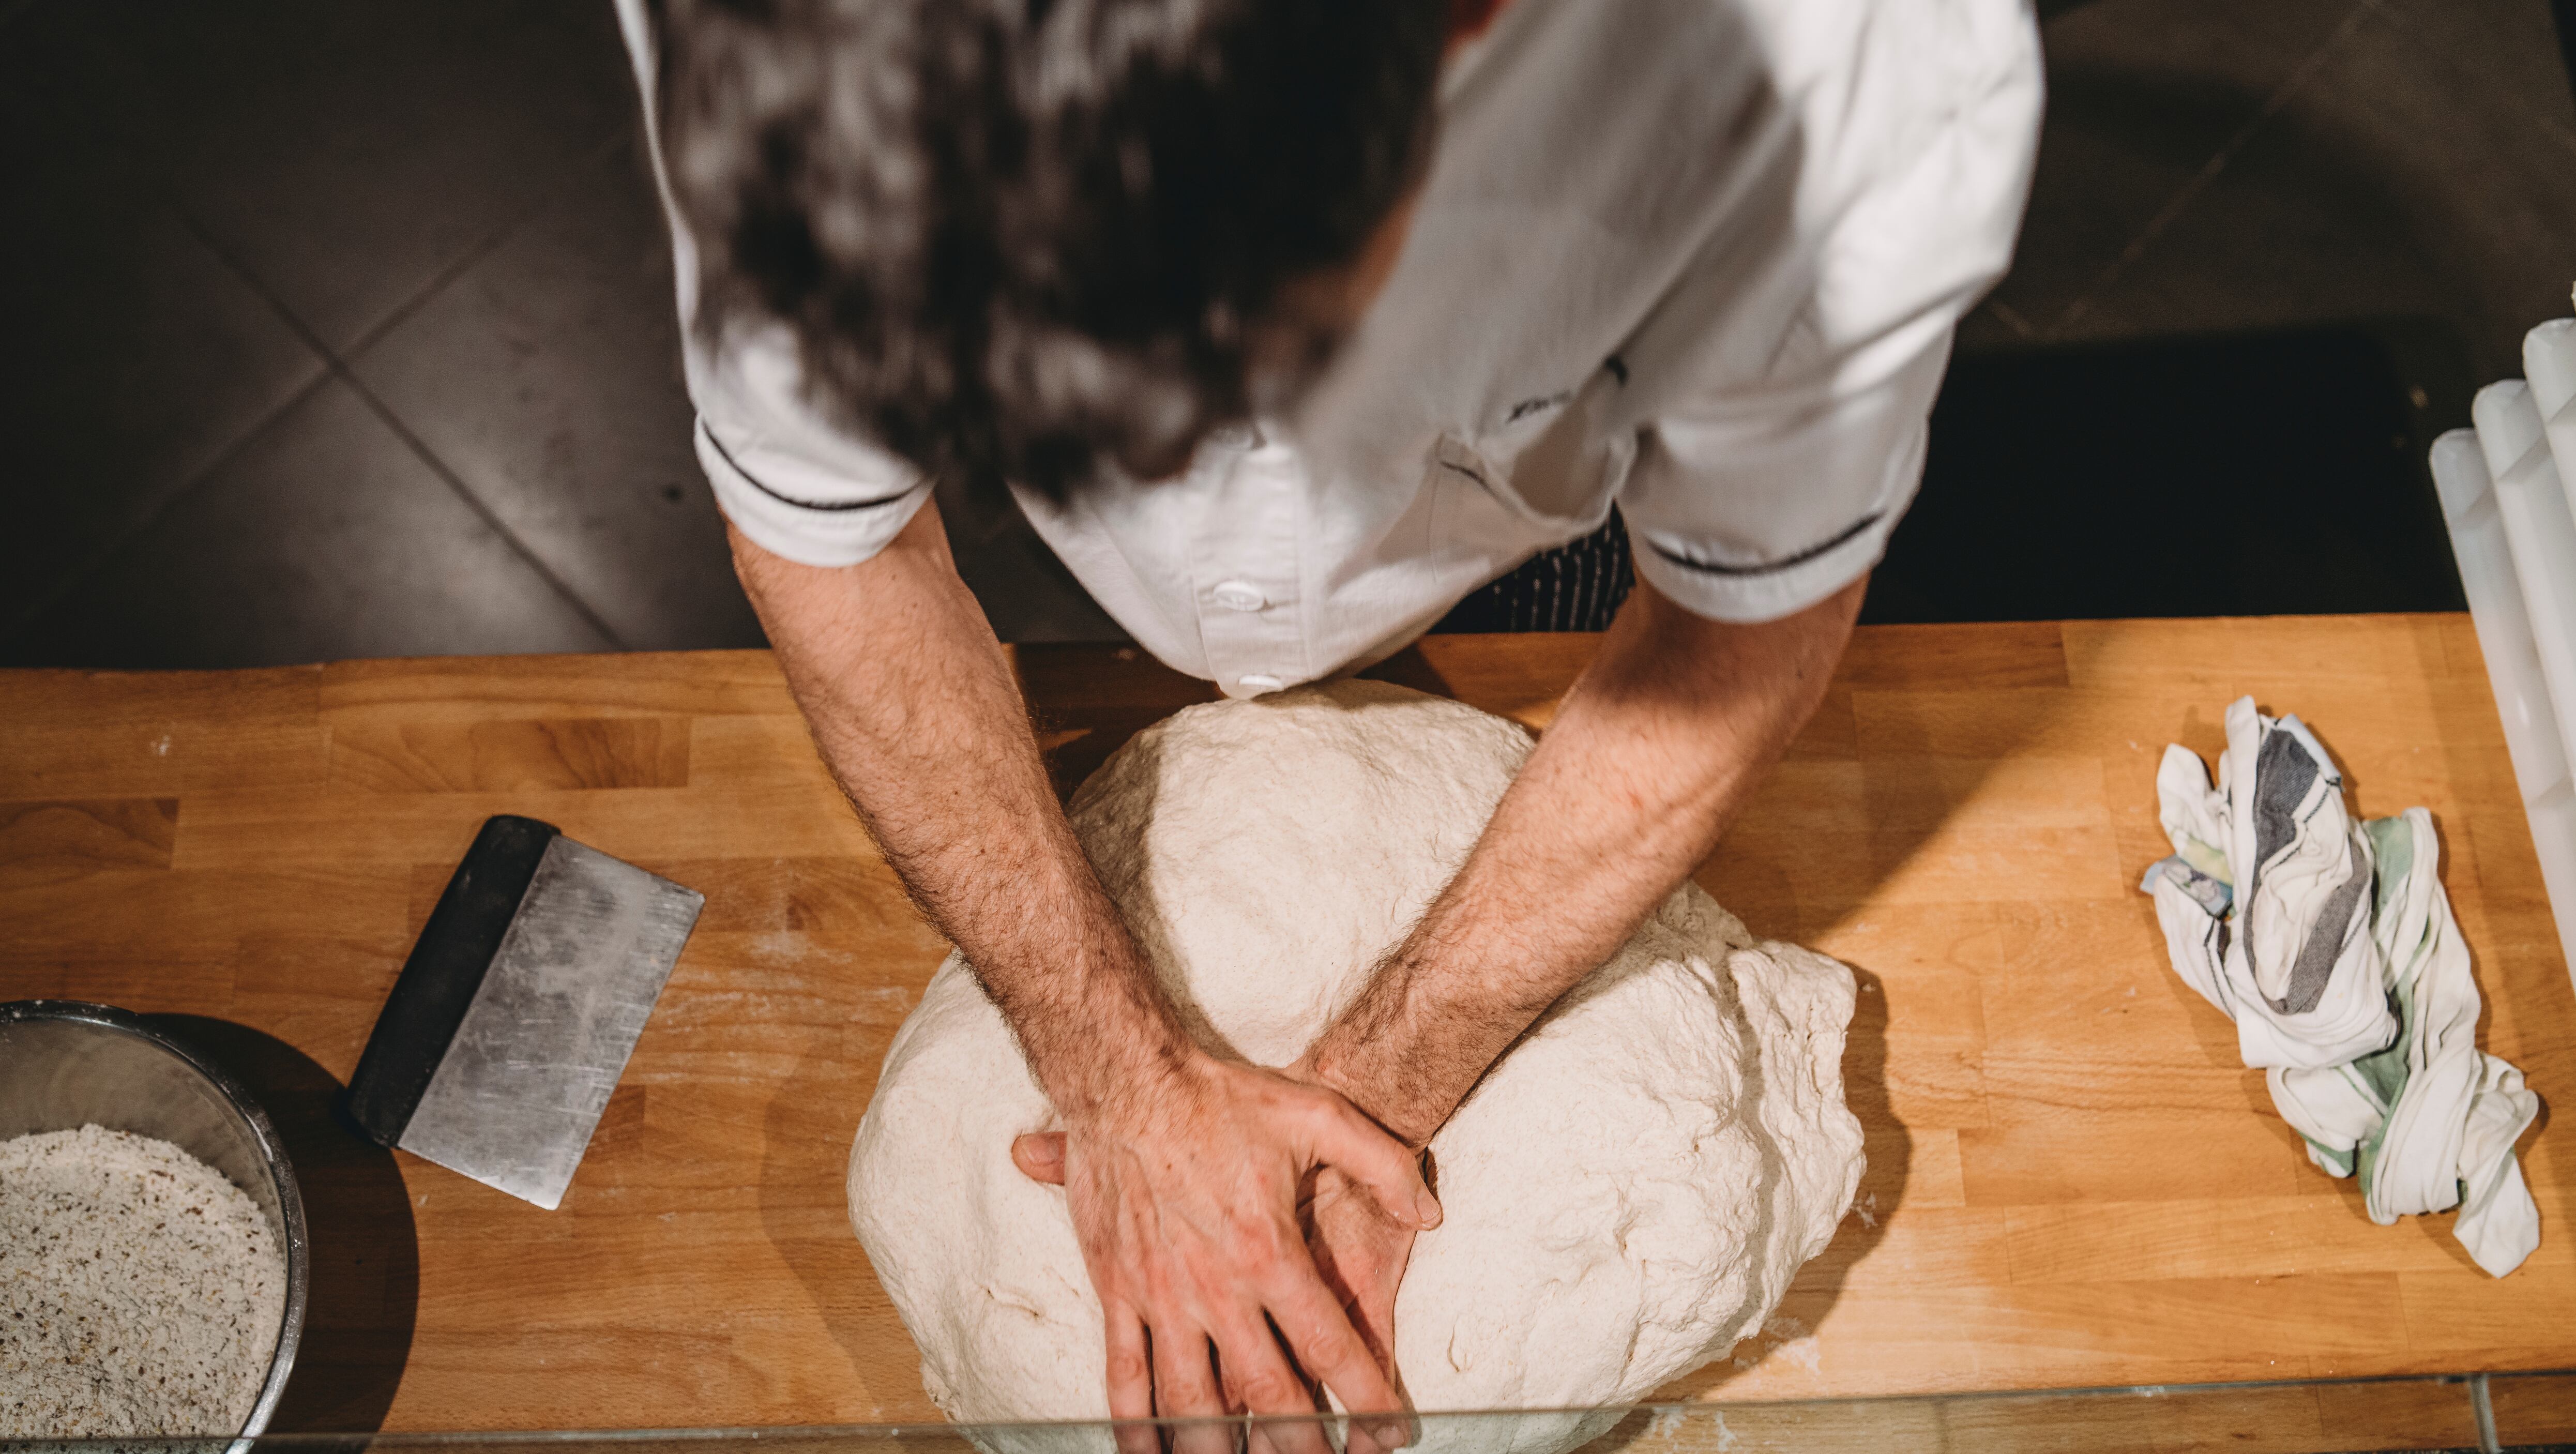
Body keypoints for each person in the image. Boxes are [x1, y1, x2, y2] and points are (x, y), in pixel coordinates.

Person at [615, 0, 2040, 1446]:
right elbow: (838, 550)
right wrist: (1117, 1072)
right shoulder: (792, 46)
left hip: (1531, 558)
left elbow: (1735, 628)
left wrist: (1386, 1080)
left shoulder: (1845, 66)